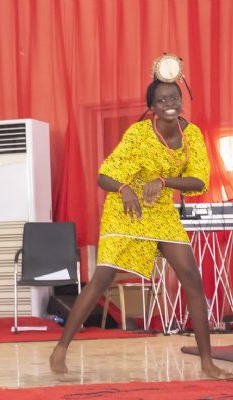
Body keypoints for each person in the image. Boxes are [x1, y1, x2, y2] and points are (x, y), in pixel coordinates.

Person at [49, 78, 233, 379]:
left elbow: (199, 181)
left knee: (192, 278)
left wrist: (163, 181)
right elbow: (104, 176)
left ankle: (207, 363)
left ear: (181, 101)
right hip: (127, 208)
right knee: (103, 277)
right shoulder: (139, 134)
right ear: (152, 108)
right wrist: (124, 189)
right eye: (162, 100)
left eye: (174, 97)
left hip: (160, 209)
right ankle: (60, 347)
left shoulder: (192, 135)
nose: (170, 103)